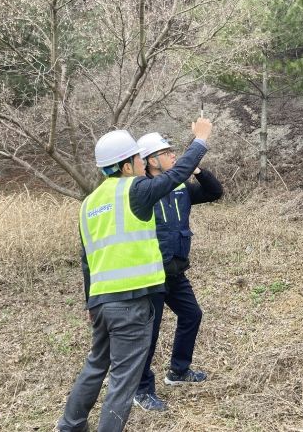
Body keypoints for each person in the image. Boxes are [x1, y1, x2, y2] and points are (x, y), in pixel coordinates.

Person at [57, 118, 212, 432]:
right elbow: (177, 174)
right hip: (131, 302)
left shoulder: (89, 204)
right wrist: (200, 140)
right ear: (126, 166)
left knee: (96, 366)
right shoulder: (134, 190)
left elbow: (86, 260)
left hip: (102, 303)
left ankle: (69, 426)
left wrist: (90, 302)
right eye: (139, 159)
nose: (143, 163)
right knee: (124, 379)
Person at [132, 132, 223, 412]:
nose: (173, 155)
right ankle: (141, 389)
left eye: (173, 151)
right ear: (151, 161)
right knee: (150, 333)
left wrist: (197, 170)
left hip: (175, 271)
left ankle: (178, 371)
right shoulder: (144, 191)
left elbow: (214, 192)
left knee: (192, 314)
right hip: (151, 274)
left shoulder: (180, 187)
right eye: (166, 152)